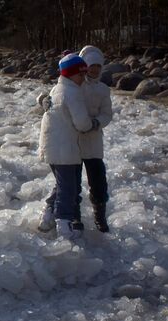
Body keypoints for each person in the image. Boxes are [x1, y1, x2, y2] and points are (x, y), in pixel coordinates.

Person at [39, 46, 112, 234]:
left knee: (98, 180)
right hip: (74, 142)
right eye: (91, 66)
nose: (94, 70)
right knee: (72, 183)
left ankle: (99, 215)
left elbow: (107, 114)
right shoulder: (75, 83)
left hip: (93, 140)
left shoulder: (103, 89)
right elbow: (54, 94)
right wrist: (42, 100)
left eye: (98, 66)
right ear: (84, 67)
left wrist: (96, 123)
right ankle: (74, 217)